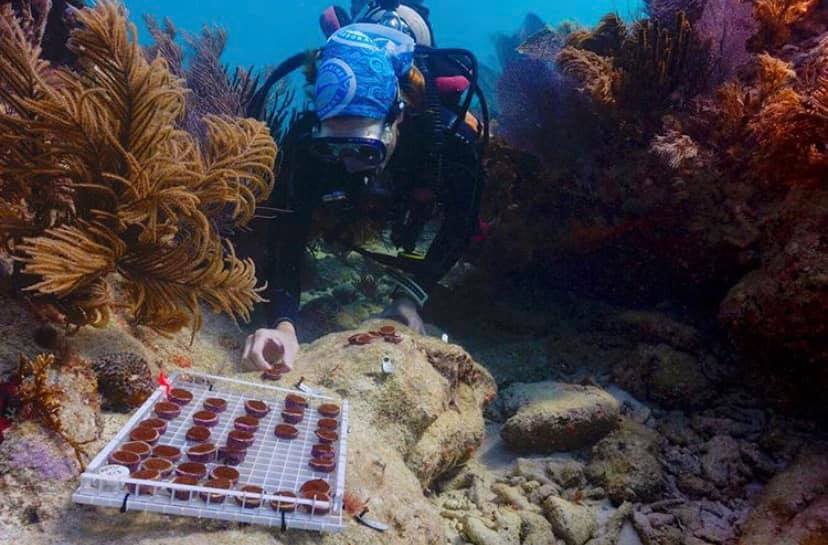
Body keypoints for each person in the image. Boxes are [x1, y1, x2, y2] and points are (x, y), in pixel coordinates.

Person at [241, 0, 489, 372]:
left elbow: (460, 223)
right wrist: (284, 324)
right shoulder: (309, 145)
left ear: (397, 118)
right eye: (335, 147)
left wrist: (410, 298)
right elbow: (289, 236)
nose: (350, 164)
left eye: (365, 150)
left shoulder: (445, 141)